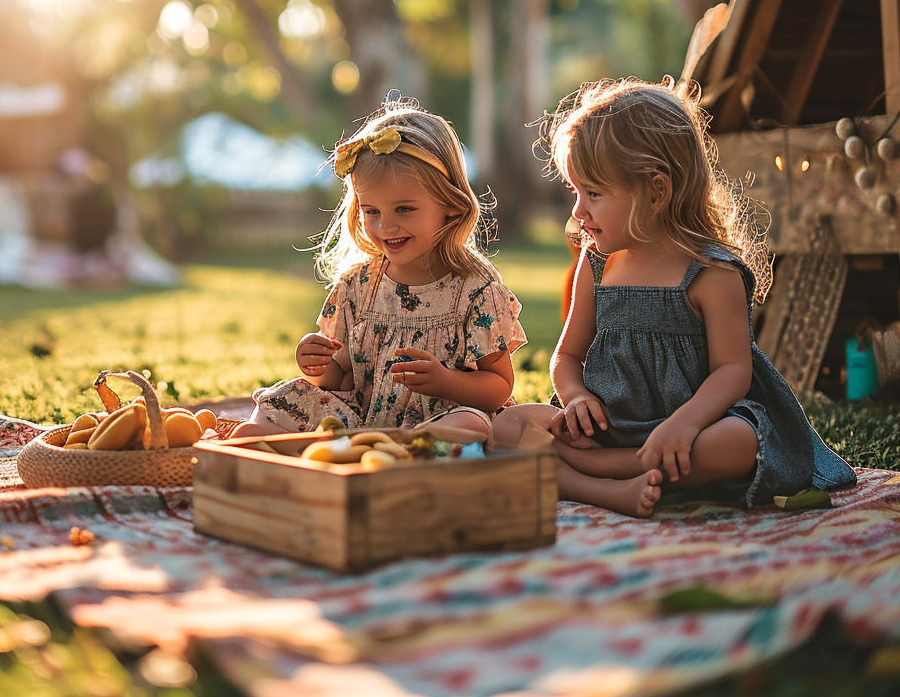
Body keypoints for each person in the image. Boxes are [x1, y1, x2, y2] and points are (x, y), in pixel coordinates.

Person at [494, 77, 857, 517]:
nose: (577, 212)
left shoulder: (711, 273)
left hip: (693, 430)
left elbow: (733, 371)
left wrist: (683, 424)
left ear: (656, 191)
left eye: (593, 193)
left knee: (739, 442)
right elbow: (565, 356)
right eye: (576, 193)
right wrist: (575, 398)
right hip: (612, 424)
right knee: (509, 423)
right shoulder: (597, 265)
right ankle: (609, 484)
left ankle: (593, 473)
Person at [233, 91, 526, 441]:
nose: (385, 227)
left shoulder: (475, 291)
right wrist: (317, 366)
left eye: (404, 209)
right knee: (288, 396)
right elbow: (343, 380)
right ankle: (280, 447)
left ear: (450, 204)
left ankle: (377, 456)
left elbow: (499, 386)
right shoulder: (357, 286)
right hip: (363, 425)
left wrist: (446, 381)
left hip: (436, 422)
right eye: (372, 211)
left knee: (472, 425)